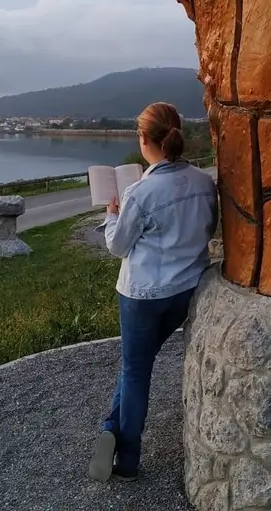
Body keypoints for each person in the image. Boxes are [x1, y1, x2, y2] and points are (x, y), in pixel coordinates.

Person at [88, 102, 218, 482]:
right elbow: (207, 229)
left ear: (145, 140)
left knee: (136, 370)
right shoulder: (203, 181)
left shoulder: (140, 192)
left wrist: (112, 214)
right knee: (136, 366)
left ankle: (127, 459)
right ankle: (111, 425)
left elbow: (117, 246)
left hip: (143, 295)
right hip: (185, 290)